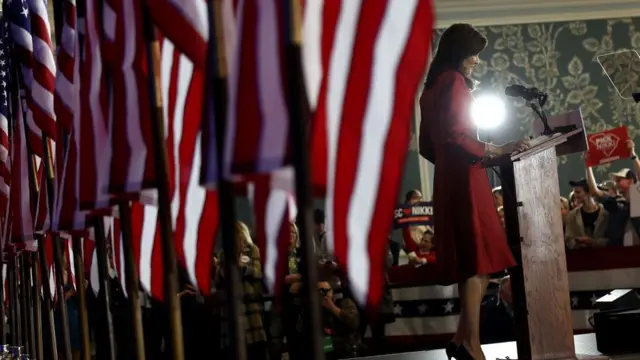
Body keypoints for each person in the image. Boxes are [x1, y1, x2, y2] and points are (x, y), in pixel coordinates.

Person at [419, 23, 528, 360]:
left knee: (476, 263)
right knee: (475, 263)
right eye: (474, 54)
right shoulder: (453, 82)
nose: (477, 61)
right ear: (460, 53)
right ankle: (471, 345)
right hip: (468, 179)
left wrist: (452, 164)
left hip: (450, 178)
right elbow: (455, 135)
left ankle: (461, 339)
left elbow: (427, 146)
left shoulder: (430, 89)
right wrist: (496, 148)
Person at [564, 179, 609, 249]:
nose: (575, 195)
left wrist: (593, 242)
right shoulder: (572, 216)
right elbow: (568, 240)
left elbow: (611, 239)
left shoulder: (606, 214)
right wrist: (577, 242)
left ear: (589, 192)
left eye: (578, 192)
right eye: (574, 192)